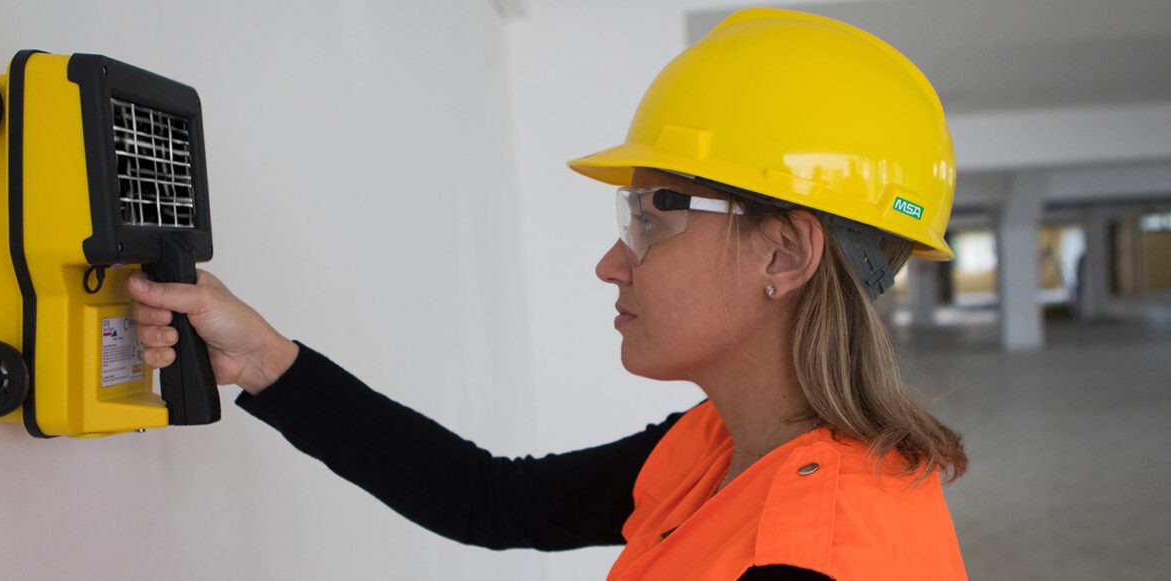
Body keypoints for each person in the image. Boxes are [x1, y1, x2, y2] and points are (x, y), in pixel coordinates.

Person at [125, 8, 968, 580]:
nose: (612, 260)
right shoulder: (733, 444)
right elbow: (491, 498)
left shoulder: (812, 553)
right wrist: (265, 358)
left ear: (783, 252)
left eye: (652, 214)